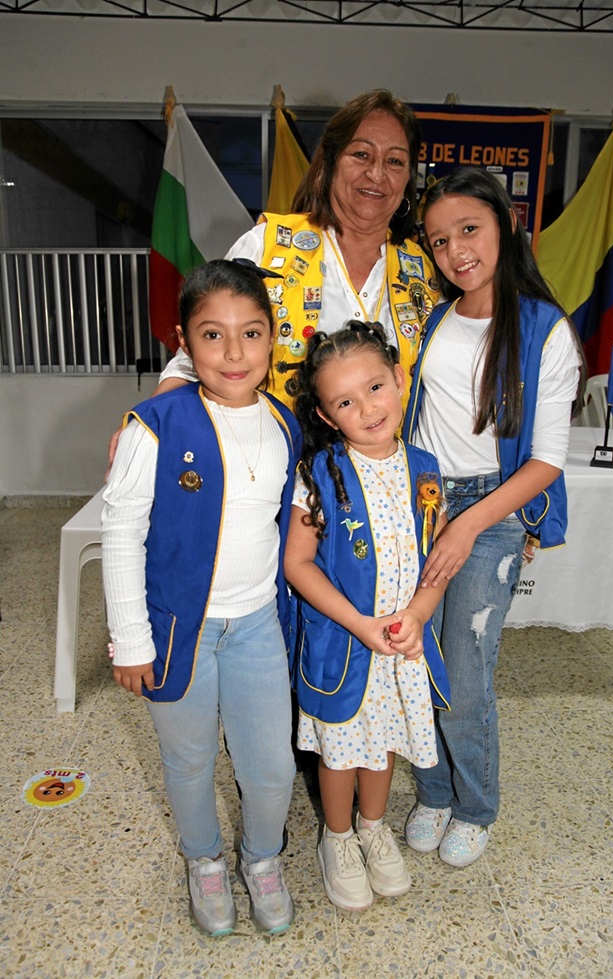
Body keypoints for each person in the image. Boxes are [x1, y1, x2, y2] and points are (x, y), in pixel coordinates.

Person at [102, 260, 301, 937]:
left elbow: (283, 512)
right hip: (178, 628)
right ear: (185, 342)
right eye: (212, 335)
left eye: (251, 332)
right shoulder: (154, 423)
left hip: (255, 625)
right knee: (188, 759)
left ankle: (262, 857)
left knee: (271, 765)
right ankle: (205, 860)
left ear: (273, 338)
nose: (235, 352)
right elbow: (121, 530)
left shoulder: (282, 422)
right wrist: (131, 638)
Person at [402, 166, 586, 868]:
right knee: (414, 657)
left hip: (492, 509)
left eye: (469, 230)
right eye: (439, 240)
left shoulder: (545, 331)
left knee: (467, 675)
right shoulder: (436, 316)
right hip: (422, 503)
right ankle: (435, 790)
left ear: (506, 223)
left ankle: (477, 804)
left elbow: (544, 463)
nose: (456, 252)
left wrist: (471, 522)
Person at [283, 321, 451, 911]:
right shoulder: (318, 475)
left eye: (376, 387)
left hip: (403, 643)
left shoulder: (427, 469)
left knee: (382, 747)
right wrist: (362, 624)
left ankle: (374, 828)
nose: (368, 408)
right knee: (340, 751)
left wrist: (420, 612)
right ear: (328, 416)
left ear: (400, 380)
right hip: (345, 645)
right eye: (346, 401)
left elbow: (437, 557)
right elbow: (298, 566)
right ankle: (338, 837)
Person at [154, 89, 439, 410]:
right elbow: (201, 350)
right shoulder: (267, 245)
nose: (377, 173)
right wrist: (155, 419)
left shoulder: (423, 271)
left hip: (390, 458)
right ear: (330, 163)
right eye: (361, 154)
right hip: (276, 454)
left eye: (395, 161)